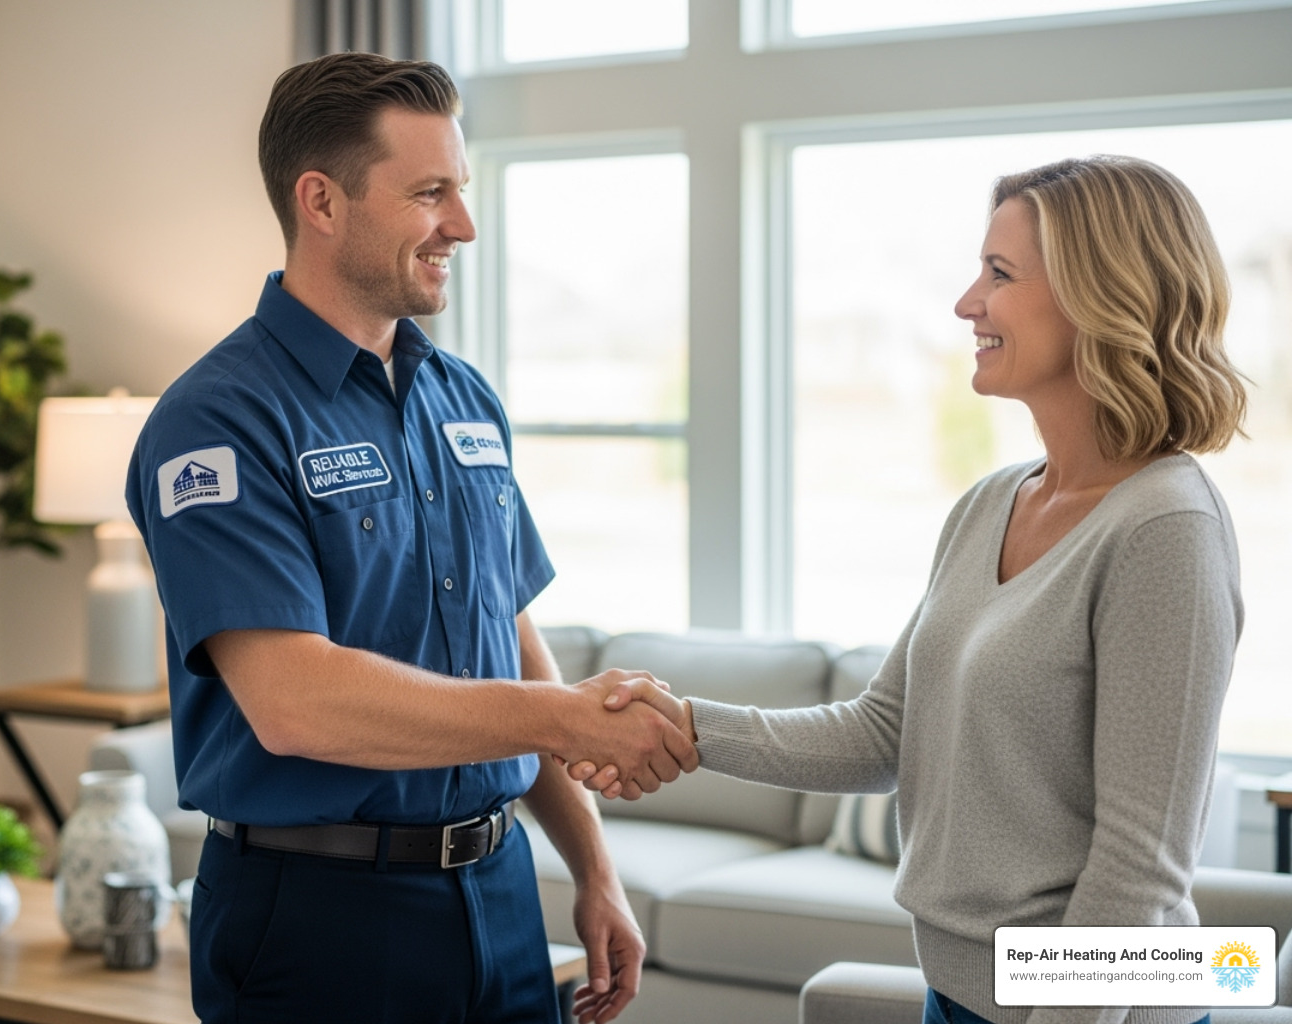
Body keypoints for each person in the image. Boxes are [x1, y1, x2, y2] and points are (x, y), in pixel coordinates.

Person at [575, 155, 1247, 1024]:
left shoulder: (1165, 529)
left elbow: (1138, 871)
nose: (969, 303)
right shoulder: (991, 502)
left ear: (1098, 295)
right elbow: (885, 732)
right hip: (957, 993)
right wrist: (689, 725)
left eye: (999, 275)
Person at [124, 52, 695, 1024]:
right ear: (322, 201)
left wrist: (593, 868)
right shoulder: (218, 422)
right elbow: (295, 703)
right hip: (318, 919)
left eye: (460, 191)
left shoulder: (463, 398)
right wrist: (561, 715)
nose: (462, 227)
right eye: (430, 193)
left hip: (502, 895)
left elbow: (505, 632)